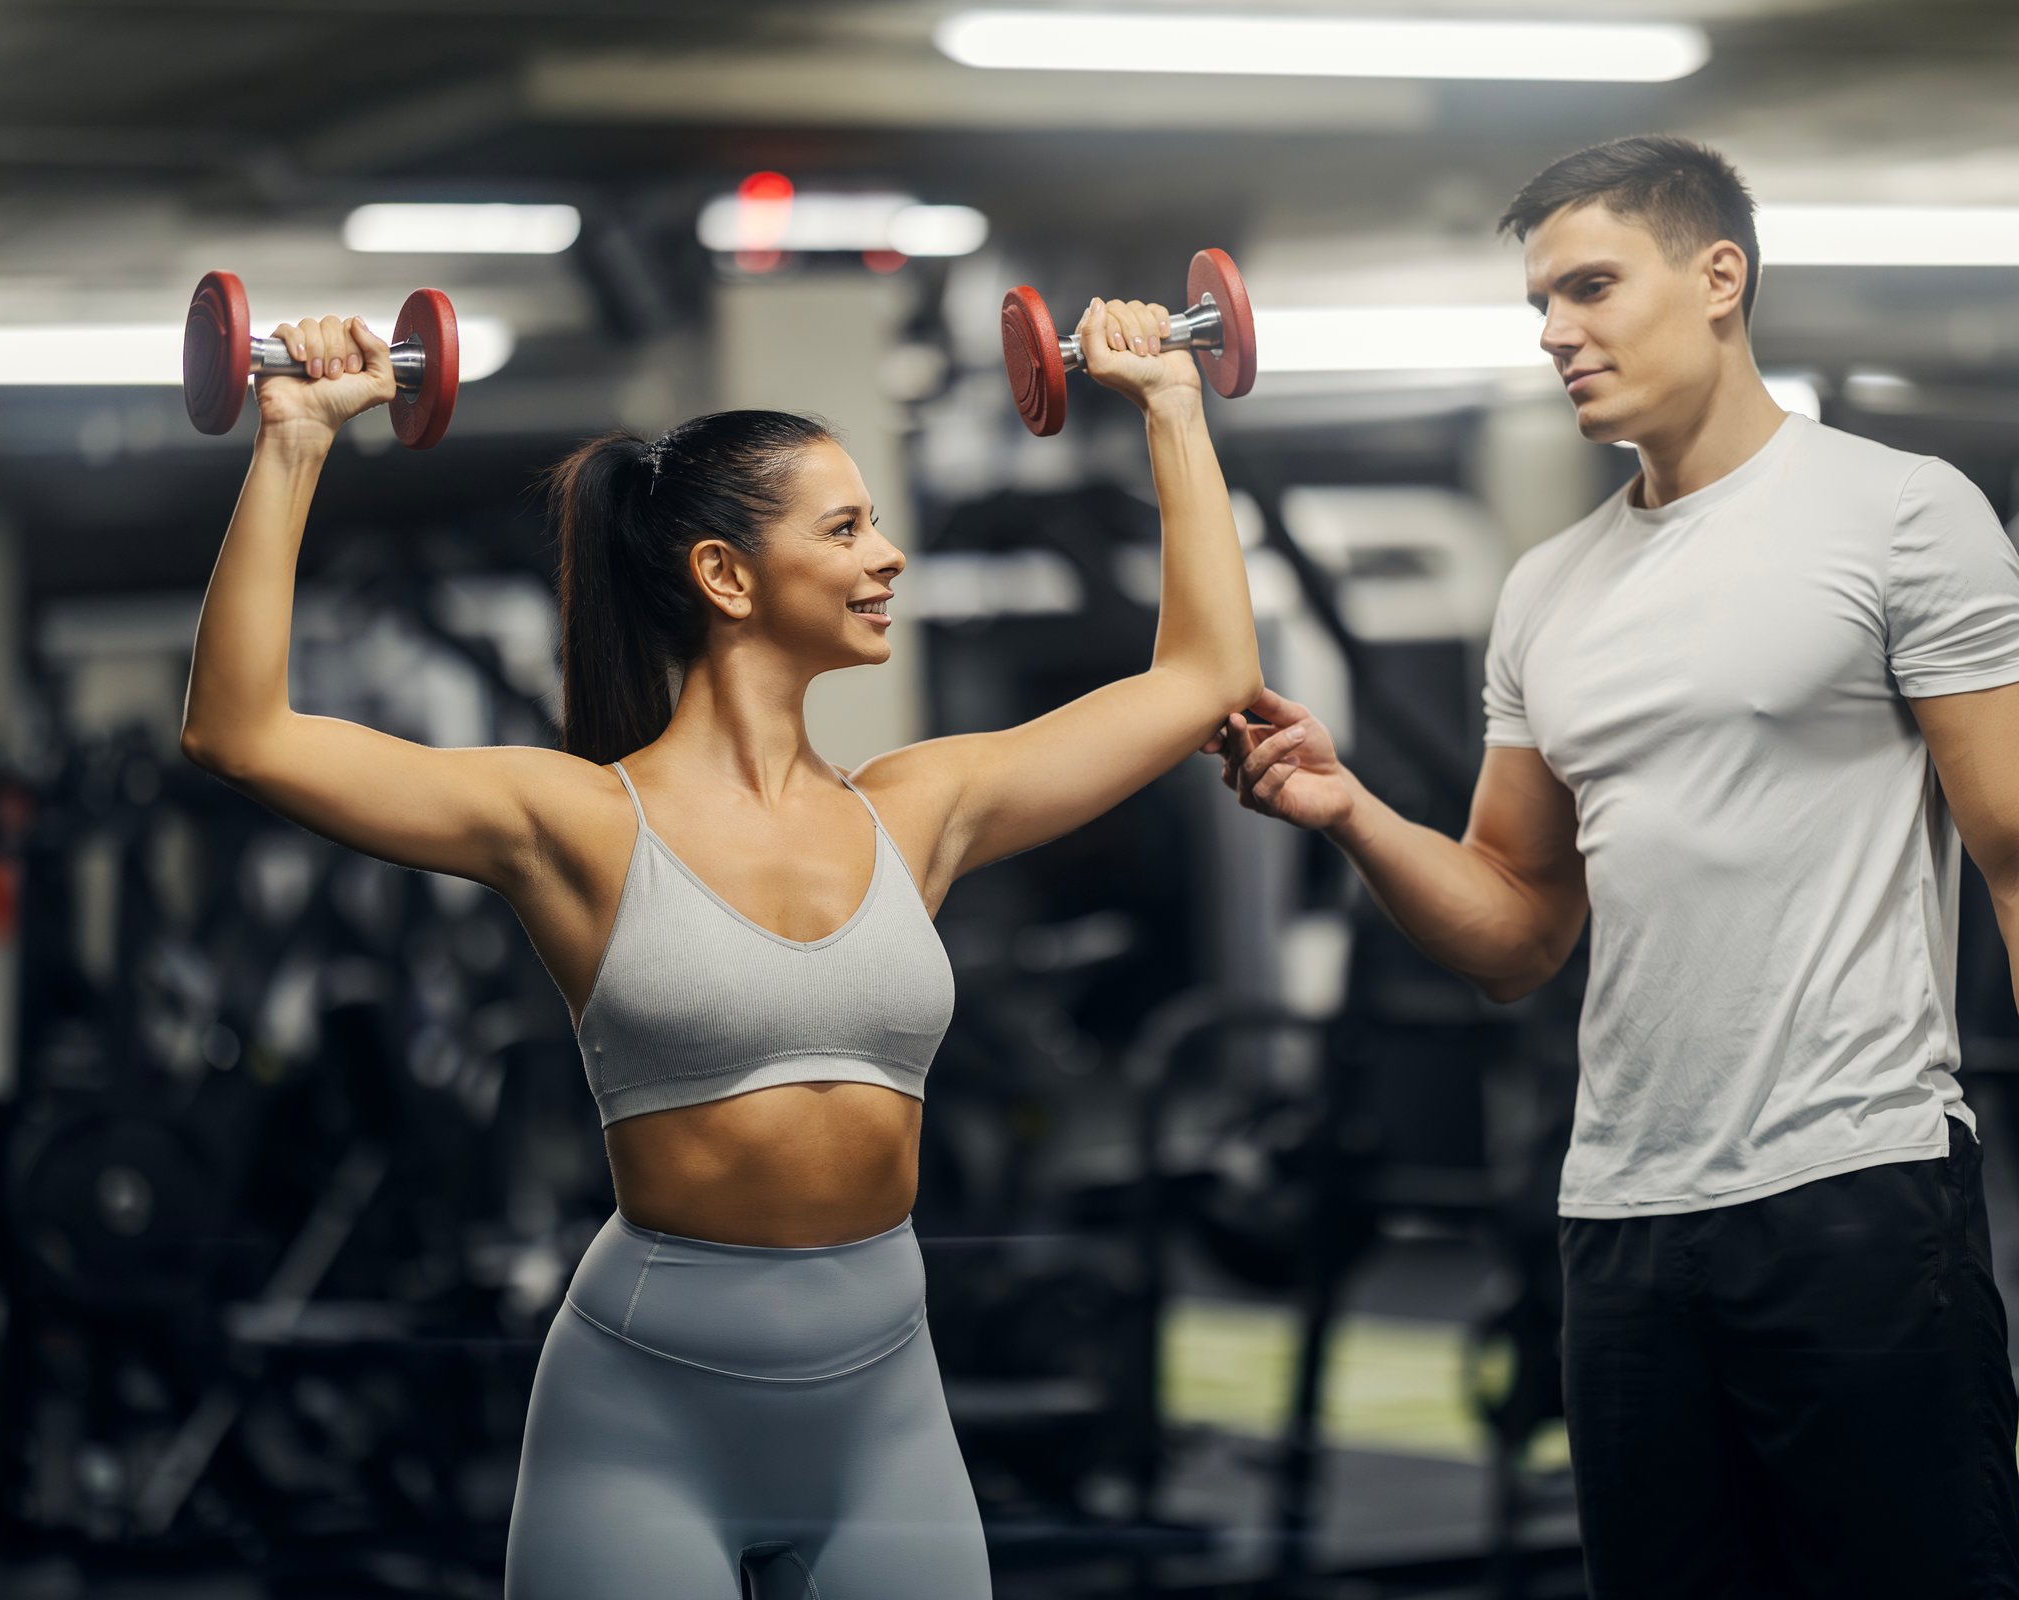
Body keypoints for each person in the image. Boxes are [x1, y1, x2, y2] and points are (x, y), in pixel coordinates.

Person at [179, 295, 1260, 1597]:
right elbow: (241, 734)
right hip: (644, 1418)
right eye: (848, 526)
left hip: (885, 1406)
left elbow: (1203, 677)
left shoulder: (917, 811)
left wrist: (1173, 406)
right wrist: (293, 437)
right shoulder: (573, 821)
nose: (893, 555)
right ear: (725, 575)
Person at [1208, 135, 2019, 1598]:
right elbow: (1517, 924)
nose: (1554, 333)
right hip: (1624, 1227)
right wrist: (1352, 814)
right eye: (1538, 304)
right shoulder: (1548, 590)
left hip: (1855, 1191)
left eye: (1590, 286)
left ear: (1721, 276)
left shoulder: (1899, 514)